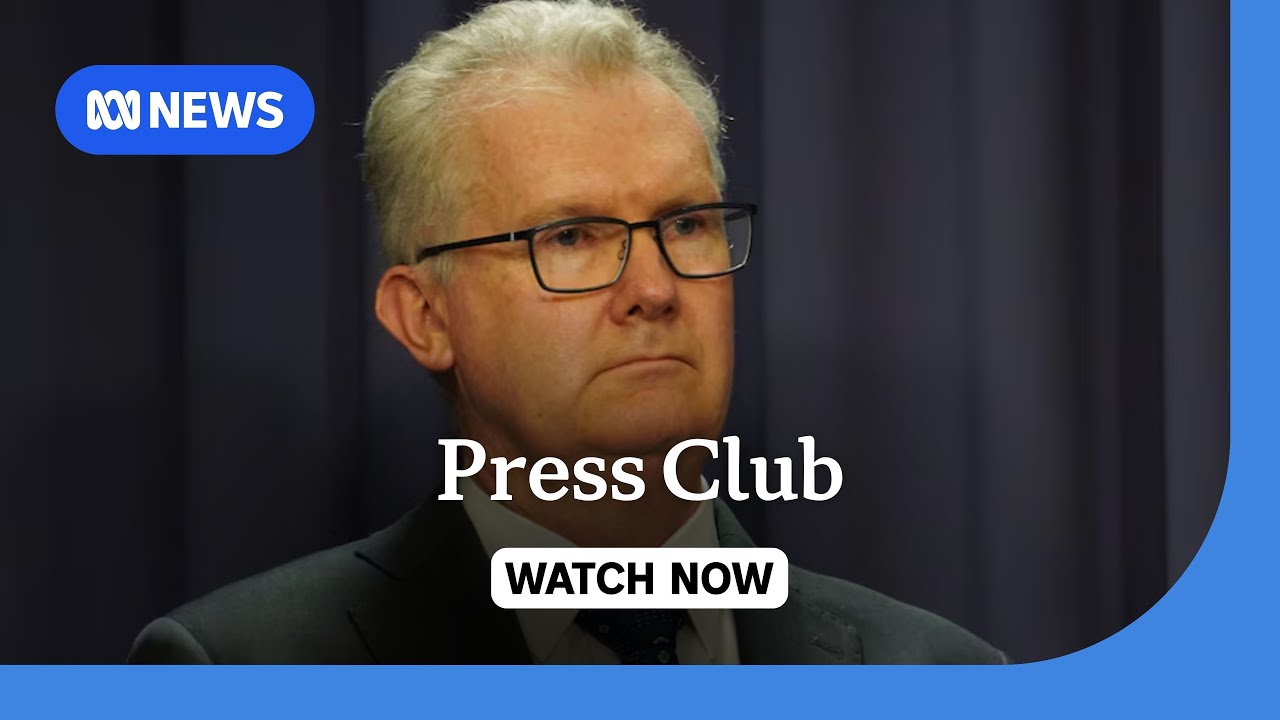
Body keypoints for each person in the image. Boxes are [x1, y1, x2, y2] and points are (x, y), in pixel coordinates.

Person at [128, 0, 1006, 665]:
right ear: (424, 318)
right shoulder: (239, 671)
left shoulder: (944, 676)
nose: (655, 290)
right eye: (572, 237)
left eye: (686, 223)